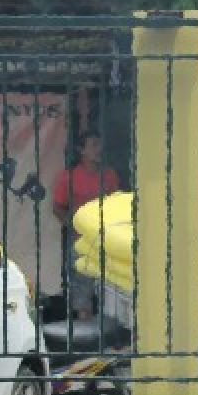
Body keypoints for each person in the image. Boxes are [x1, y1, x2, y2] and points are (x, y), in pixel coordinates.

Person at [53, 130, 121, 320]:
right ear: (81, 151)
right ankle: (86, 335)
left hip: (107, 240)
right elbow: (58, 207)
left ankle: (109, 332)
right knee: (82, 286)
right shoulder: (69, 176)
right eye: (93, 145)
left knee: (110, 286)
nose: (99, 150)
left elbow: (117, 204)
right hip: (81, 241)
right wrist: (72, 227)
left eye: (100, 145)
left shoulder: (109, 175)